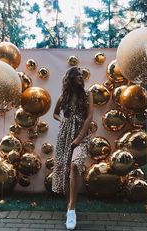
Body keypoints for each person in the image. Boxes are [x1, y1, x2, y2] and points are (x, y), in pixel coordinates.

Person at [52, 66, 93, 230]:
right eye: (78, 75)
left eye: (83, 75)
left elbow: (90, 117)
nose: (82, 77)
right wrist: (61, 120)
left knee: (76, 164)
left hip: (82, 135)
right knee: (67, 170)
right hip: (64, 135)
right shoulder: (64, 97)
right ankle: (70, 208)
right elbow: (55, 113)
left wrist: (79, 138)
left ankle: (71, 209)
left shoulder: (88, 94)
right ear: (71, 78)